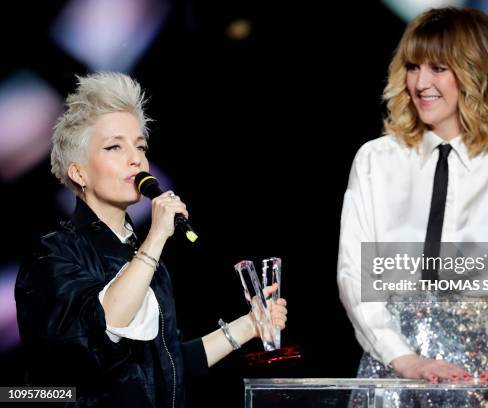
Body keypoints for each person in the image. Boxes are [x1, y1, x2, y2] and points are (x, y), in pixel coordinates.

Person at [337, 6, 488, 403]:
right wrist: (405, 359)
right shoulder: (376, 160)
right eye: (413, 67)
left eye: (438, 68)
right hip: (393, 367)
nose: (421, 83)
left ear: (475, 71)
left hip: (486, 365)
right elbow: (353, 274)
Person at [15, 72, 287, 407]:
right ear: (78, 172)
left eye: (140, 146)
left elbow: (165, 366)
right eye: (115, 146)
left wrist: (249, 326)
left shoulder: (143, 257)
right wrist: (156, 238)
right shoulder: (53, 254)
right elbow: (103, 330)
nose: (137, 159)